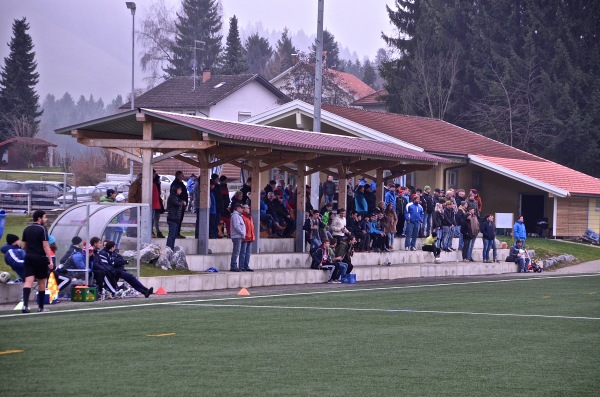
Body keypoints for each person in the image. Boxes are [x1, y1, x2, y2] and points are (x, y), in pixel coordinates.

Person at [20, 210, 54, 313]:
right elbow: (45, 245)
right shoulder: (42, 228)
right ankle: (40, 307)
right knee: (42, 282)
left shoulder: (26, 228)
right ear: (39, 218)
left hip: (29, 257)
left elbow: (24, 245)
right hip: (40, 258)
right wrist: (50, 260)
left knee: (28, 281)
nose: (46, 219)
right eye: (44, 217)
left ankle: (25, 306)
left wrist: (28, 254)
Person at [170, 171, 188, 239]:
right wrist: (180, 201)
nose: (183, 176)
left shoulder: (181, 183)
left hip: (181, 205)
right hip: (178, 205)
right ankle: (175, 233)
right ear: (178, 176)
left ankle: (177, 232)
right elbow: (175, 195)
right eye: (182, 175)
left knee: (180, 219)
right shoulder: (175, 184)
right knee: (177, 219)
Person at [166, 185, 184, 250]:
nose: (181, 191)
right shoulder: (172, 197)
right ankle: (169, 248)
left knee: (173, 236)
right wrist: (182, 203)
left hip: (176, 219)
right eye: (179, 190)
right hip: (172, 218)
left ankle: (171, 248)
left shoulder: (177, 197)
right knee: (171, 235)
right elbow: (177, 204)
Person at [229, 203, 245, 272]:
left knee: (237, 251)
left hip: (239, 236)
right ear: (237, 208)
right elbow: (236, 226)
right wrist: (242, 233)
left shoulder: (239, 216)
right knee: (236, 251)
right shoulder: (235, 216)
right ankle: (233, 266)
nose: (242, 209)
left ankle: (235, 265)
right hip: (237, 236)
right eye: (241, 208)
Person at [239, 204, 255, 271]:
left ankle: (246, 266)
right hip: (245, 237)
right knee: (243, 253)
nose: (249, 209)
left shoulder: (250, 217)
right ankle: (241, 266)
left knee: (248, 253)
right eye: (247, 208)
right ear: (244, 209)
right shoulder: (242, 217)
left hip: (250, 237)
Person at [152, 170, 165, 238]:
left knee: (155, 218)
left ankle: (156, 231)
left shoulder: (155, 183)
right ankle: (155, 231)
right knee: (154, 218)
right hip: (155, 203)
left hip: (156, 203)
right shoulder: (154, 183)